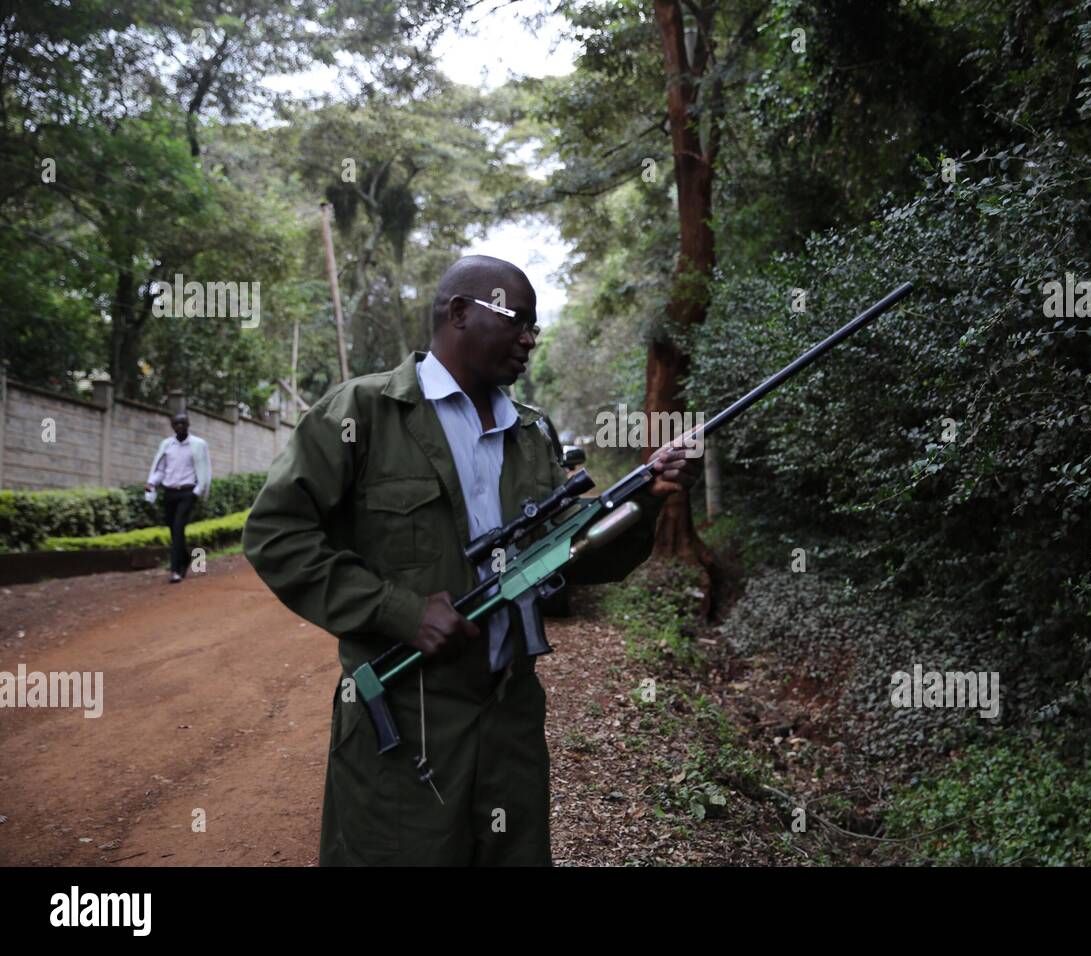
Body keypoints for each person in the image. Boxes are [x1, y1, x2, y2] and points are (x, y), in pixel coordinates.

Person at [241, 255, 702, 866]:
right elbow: (276, 533)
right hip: (407, 715)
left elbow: (573, 557)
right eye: (518, 321)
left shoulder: (533, 432)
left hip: (509, 714)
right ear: (459, 312)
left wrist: (648, 497)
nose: (529, 339)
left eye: (535, 327)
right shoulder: (365, 413)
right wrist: (399, 611)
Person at [145, 412, 211, 584]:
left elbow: (205, 468)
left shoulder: (198, 444)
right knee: (173, 531)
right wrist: (151, 483)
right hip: (169, 493)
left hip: (187, 493)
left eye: (183, 423)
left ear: (188, 425)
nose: (180, 426)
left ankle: (175, 570)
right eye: (176, 424)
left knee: (178, 527)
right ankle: (187, 558)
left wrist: (197, 491)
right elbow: (160, 469)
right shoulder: (167, 445)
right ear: (172, 426)